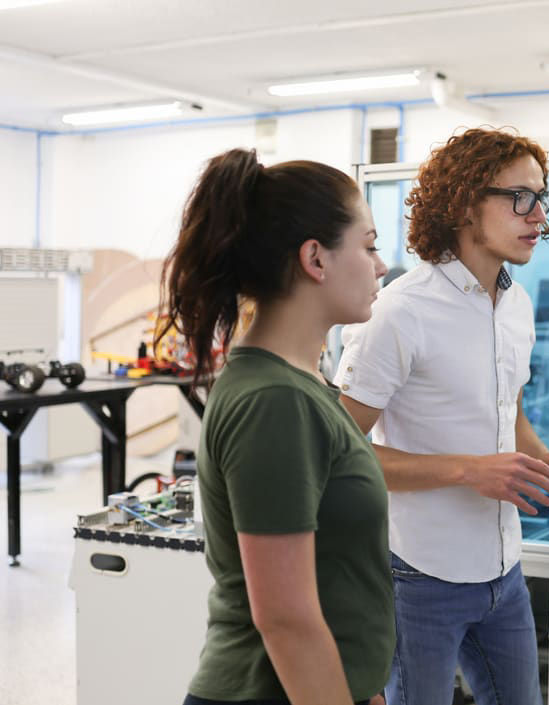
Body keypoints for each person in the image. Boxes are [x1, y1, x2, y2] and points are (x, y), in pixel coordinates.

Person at [335, 128, 549, 705]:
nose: (538, 217)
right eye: (520, 197)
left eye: (542, 198)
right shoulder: (399, 312)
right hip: (418, 574)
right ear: (464, 203)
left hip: (504, 572)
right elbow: (335, 456)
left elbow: (509, 412)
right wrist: (467, 472)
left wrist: (546, 458)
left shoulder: (517, 305)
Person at [160, 148, 392, 705]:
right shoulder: (274, 402)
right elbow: (286, 620)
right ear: (316, 258)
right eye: (369, 244)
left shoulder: (299, 385)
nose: (381, 264)